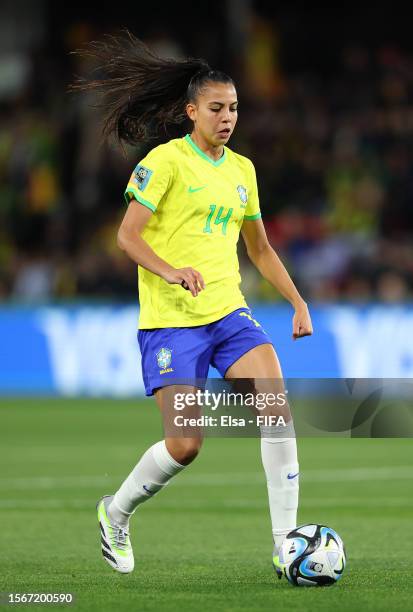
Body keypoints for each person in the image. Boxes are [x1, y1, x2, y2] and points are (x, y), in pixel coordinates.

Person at [71, 31, 313, 577]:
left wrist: (297, 302)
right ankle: (116, 511)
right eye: (215, 108)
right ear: (190, 111)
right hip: (172, 322)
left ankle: (285, 544)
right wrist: (171, 271)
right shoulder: (165, 162)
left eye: (233, 108)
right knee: (185, 445)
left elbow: (260, 248)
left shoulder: (243, 171)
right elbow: (127, 238)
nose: (227, 118)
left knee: (276, 412)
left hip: (229, 312)